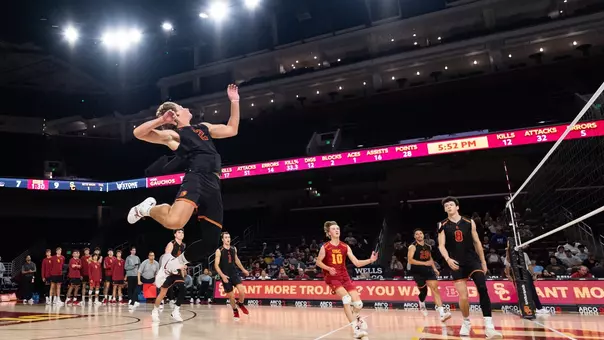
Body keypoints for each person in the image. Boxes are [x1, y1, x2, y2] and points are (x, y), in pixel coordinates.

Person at [127, 85, 240, 287]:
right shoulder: (175, 135)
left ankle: (173, 265)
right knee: (173, 222)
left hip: (214, 183)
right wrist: (162, 121)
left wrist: (235, 101)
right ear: (176, 114)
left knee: (210, 242)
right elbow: (138, 133)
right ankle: (147, 209)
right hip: (196, 178)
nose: (187, 108)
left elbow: (232, 129)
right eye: (181, 106)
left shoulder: (203, 127)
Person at [437, 197, 502, 338]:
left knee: (483, 288)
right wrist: (447, 259)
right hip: (456, 263)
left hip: (472, 261)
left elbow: (477, 242)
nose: (448, 207)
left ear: (457, 207)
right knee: (464, 297)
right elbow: (441, 245)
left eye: (451, 205)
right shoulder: (442, 224)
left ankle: (489, 327)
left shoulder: (469, 222)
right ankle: (466, 322)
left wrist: (483, 262)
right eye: (446, 206)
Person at [316, 221, 378, 340]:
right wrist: (329, 268)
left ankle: (357, 317)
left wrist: (370, 260)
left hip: (344, 276)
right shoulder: (325, 247)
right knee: (346, 298)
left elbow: (356, 263)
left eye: (338, 228)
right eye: (334, 229)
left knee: (358, 304)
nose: (337, 230)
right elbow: (318, 262)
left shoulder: (345, 246)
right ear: (329, 233)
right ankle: (356, 328)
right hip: (332, 277)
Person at [408, 229, 451, 322]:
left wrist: (434, 268)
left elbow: (430, 258)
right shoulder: (412, 247)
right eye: (417, 234)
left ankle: (442, 313)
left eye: (421, 233)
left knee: (435, 289)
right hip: (417, 272)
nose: (419, 235)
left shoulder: (428, 246)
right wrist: (424, 264)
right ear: (414, 236)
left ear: (423, 235)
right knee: (424, 291)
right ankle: (422, 303)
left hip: (428, 271)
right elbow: (410, 260)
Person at [152, 229, 188, 323]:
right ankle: (155, 311)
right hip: (168, 271)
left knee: (183, 289)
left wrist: (183, 266)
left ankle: (176, 311)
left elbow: (182, 259)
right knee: (163, 293)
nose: (181, 234)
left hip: (177, 272)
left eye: (182, 232)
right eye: (179, 232)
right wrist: (174, 265)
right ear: (175, 234)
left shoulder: (183, 245)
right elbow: (166, 257)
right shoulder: (171, 244)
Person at [214, 231, 250, 321]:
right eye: (226, 237)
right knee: (232, 296)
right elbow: (216, 265)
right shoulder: (219, 251)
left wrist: (243, 270)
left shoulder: (234, 248)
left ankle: (241, 303)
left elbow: (237, 260)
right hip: (225, 275)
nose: (228, 239)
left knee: (242, 290)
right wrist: (222, 276)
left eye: (229, 237)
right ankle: (235, 310)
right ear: (222, 239)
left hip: (234, 273)